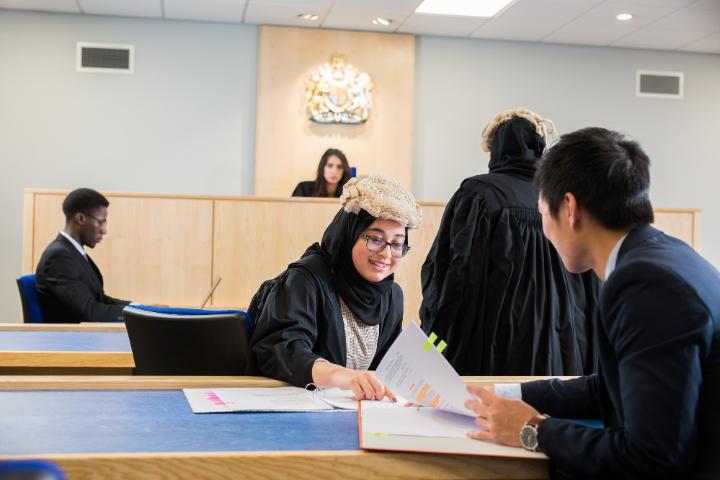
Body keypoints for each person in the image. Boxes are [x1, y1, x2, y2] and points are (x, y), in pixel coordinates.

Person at [464, 127, 720, 479]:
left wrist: (532, 430)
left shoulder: (646, 284)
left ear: (569, 208)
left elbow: (653, 456)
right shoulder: (663, 256)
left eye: (542, 214)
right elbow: (611, 387)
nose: (545, 231)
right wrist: (503, 393)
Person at [420, 108, 600, 376]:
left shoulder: (478, 194)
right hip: (565, 350)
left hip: (496, 352)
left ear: (495, 149)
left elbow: (450, 278)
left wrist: (431, 345)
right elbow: (593, 285)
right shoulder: (566, 200)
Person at [249, 174, 422, 400]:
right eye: (375, 239)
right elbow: (283, 349)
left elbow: (384, 367)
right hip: (293, 410)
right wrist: (341, 376)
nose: (386, 254)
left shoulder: (391, 295)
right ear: (349, 234)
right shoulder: (306, 279)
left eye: (397, 244)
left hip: (352, 413)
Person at [36, 188, 132, 323]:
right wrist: (138, 315)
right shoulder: (58, 258)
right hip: (69, 341)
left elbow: (100, 299)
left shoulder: (72, 252)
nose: (104, 230)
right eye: (100, 222)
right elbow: (91, 312)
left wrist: (139, 308)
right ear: (81, 218)